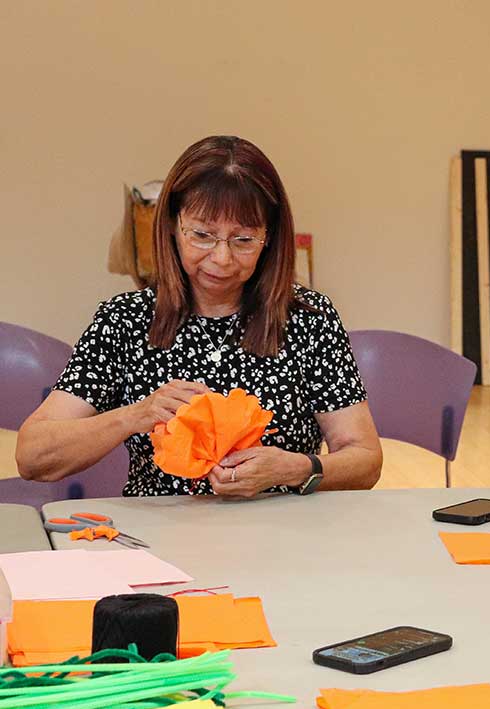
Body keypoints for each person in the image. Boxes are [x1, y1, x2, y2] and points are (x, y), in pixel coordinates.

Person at [16, 136, 382, 497]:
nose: (221, 258)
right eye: (203, 235)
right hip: (156, 541)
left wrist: (295, 468)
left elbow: (365, 459)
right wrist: (136, 415)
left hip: (282, 535)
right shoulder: (126, 319)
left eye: (243, 240)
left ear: (269, 238)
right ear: (173, 227)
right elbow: (33, 456)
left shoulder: (306, 320)